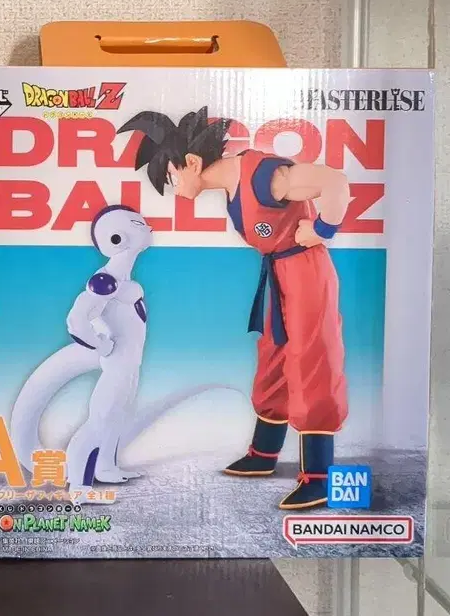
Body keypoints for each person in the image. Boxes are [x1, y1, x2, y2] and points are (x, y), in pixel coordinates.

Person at [119, 108, 350, 509]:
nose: (173, 188)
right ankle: (265, 452)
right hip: (279, 273)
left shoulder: (264, 176)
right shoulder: (236, 182)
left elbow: (335, 182)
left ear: (192, 163)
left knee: (311, 358)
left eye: (171, 176)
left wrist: (321, 230)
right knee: (274, 355)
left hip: (306, 271)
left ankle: (319, 475)